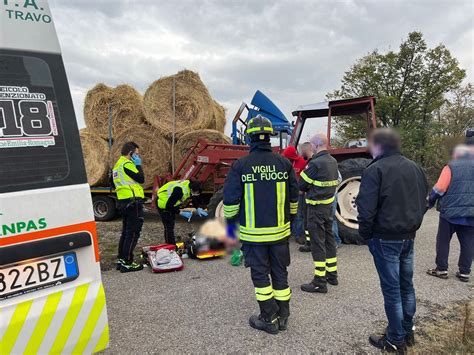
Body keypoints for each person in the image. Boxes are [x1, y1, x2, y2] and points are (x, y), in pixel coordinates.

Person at [223, 115, 299, 334]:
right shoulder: (284, 163)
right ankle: (283, 315)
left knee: (260, 275)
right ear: (270, 136)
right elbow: (294, 199)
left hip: (253, 237)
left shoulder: (241, 165)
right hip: (280, 234)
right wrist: (290, 222)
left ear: (250, 137)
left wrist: (231, 228)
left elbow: (230, 202)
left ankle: (268, 318)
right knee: (280, 272)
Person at [356, 128, 428, 353]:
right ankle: (407, 332)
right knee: (406, 286)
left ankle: (395, 340)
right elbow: (423, 202)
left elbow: (365, 210)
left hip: (385, 237)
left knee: (392, 290)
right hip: (408, 236)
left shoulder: (375, 170)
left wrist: (366, 235)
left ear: (378, 146)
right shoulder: (415, 167)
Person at [427, 144, 474, 282]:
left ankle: (441, 269)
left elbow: (440, 188)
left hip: (450, 213)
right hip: (471, 214)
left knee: (443, 240)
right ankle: (465, 272)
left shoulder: (451, 167)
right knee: (468, 243)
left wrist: (430, 201)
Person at [299, 133, 340, 293]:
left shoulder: (315, 163)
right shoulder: (333, 161)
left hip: (315, 209)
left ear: (315, 145)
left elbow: (301, 185)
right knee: (329, 240)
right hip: (328, 208)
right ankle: (332, 275)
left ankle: (319, 282)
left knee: (317, 243)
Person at [113, 141, 146, 272]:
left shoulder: (117, 165)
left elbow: (113, 183)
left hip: (123, 201)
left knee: (126, 233)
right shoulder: (127, 164)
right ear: (130, 153)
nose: (138, 157)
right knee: (133, 233)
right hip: (133, 202)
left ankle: (121, 259)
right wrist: (139, 166)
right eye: (136, 154)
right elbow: (141, 178)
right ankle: (127, 262)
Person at [156, 179, 205, 245]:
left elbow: (193, 197)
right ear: (192, 189)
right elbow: (168, 206)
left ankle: (171, 241)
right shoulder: (179, 191)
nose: (197, 194)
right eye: (197, 192)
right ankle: (170, 246)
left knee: (171, 222)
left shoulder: (189, 185)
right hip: (163, 202)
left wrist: (197, 208)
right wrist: (180, 212)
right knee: (168, 225)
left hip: (171, 202)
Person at [282, 146, 307, 244]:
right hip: (286, 192)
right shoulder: (283, 162)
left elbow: (305, 177)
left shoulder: (302, 162)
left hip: (299, 192)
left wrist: (301, 189)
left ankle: (298, 234)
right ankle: (289, 232)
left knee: (298, 214)